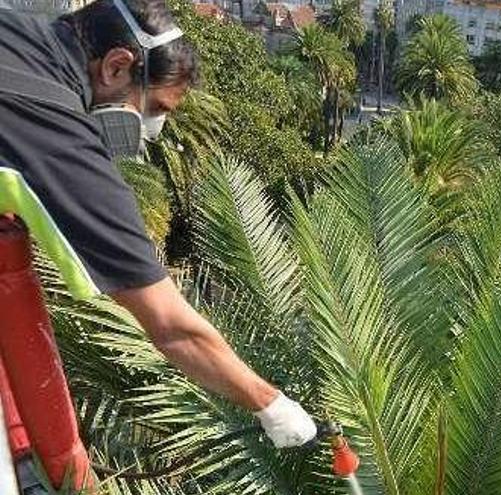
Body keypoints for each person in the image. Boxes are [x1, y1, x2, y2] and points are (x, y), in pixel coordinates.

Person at [0, 0, 317, 486]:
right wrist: (270, 404)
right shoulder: (58, 136)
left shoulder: (16, 32)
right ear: (116, 66)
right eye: (155, 109)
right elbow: (171, 326)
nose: (152, 131)